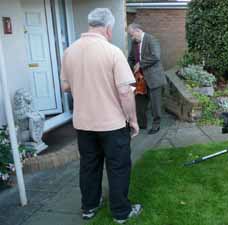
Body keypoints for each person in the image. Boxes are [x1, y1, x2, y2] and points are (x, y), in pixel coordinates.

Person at [60, 8, 142, 224]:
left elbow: (66, 86)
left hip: (83, 124)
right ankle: (121, 212)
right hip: (112, 124)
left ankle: (89, 206)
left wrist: (85, 84)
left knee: (89, 165)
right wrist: (133, 120)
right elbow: (125, 91)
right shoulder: (112, 52)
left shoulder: (70, 51)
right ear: (108, 27)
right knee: (118, 167)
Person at [127, 23, 167, 134]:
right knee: (139, 102)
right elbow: (130, 58)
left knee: (155, 104)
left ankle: (156, 125)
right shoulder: (134, 42)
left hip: (154, 78)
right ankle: (141, 124)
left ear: (138, 31)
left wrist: (140, 64)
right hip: (139, 80)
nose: (132, 38)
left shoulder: (152, 40)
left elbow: (156, 56)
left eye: (132, 35)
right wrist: (130, 68)